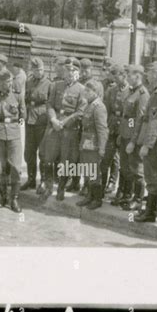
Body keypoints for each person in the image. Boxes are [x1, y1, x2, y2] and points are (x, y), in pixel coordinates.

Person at [40, 57, 87, 202]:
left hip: (69, 130)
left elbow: (80, 111)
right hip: (54, 126)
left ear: (78, 73)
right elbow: (49, 105)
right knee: (48, 158)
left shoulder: (82, 89)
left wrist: (65, 122)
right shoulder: (56, 85)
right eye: (68, 70)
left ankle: (60, 188)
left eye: (73, 71)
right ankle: (48, 186)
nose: (70, 73)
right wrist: (53, 119)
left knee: (66, 161)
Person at [0, 69, 26, 212]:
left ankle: (14, 199)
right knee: (0, 167)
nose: (9, 83)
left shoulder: (18, 96)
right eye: (6, 81)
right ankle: (3, 197)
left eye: (10, 81)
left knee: (16, 167)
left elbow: (22, 115)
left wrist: (16, 126)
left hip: (14, 135)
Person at [135, 62, 157, 223]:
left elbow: (155, 123)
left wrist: (147, 145)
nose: (147, 76)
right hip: (156, 141)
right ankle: (150, 210)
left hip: (154, 143)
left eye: (149, 73)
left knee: (153, 176)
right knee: (154, 175)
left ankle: (151, 212)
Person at [118, 64, 150, 211]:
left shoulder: (143, 94)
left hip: (133, 137)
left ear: (138, 76)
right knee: (125, 167)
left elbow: (140, 119)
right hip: (125, 134)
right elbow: (126, 117)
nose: (127, 78)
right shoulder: (130, 92)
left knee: (136, 169)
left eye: (129, 75)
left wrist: (132, 140)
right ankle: (126, 195)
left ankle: (137, 199)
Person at [75, 80, 108, 210]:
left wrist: (102, 148)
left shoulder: (98, 107)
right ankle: (89, 196)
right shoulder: (89, 105)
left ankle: (97, 199)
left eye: (89, 91)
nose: (86, 93)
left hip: (93, 144)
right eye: (86, 90)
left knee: (94, 172)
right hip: (86, 142)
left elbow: (102, 129)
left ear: (96, 92)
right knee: (87, 171)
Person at [21, 57, 52, 193]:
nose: (38, 72)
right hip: (30, 119)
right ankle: (31, 179)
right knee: (29, 152)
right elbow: (25, 99)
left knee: (43, 153)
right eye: (35, 70)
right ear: (32, 70)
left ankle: (44, 181)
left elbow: (50, 104)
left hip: (42, 120)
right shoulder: (29, 82)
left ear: (43, 69)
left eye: (40, 69)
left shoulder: (49, 84)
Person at [103, 64, 130, 206]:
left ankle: (121, 190)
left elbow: (134, 116)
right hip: (112, 125)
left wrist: (130, 131)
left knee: (123, 162)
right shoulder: (111, 90)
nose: (114, 78)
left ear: (123, 76)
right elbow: (106, 109)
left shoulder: (131, 91)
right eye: (113, 75)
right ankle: (102, 188)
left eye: (117, 75)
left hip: (125, 128)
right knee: (107, 156)